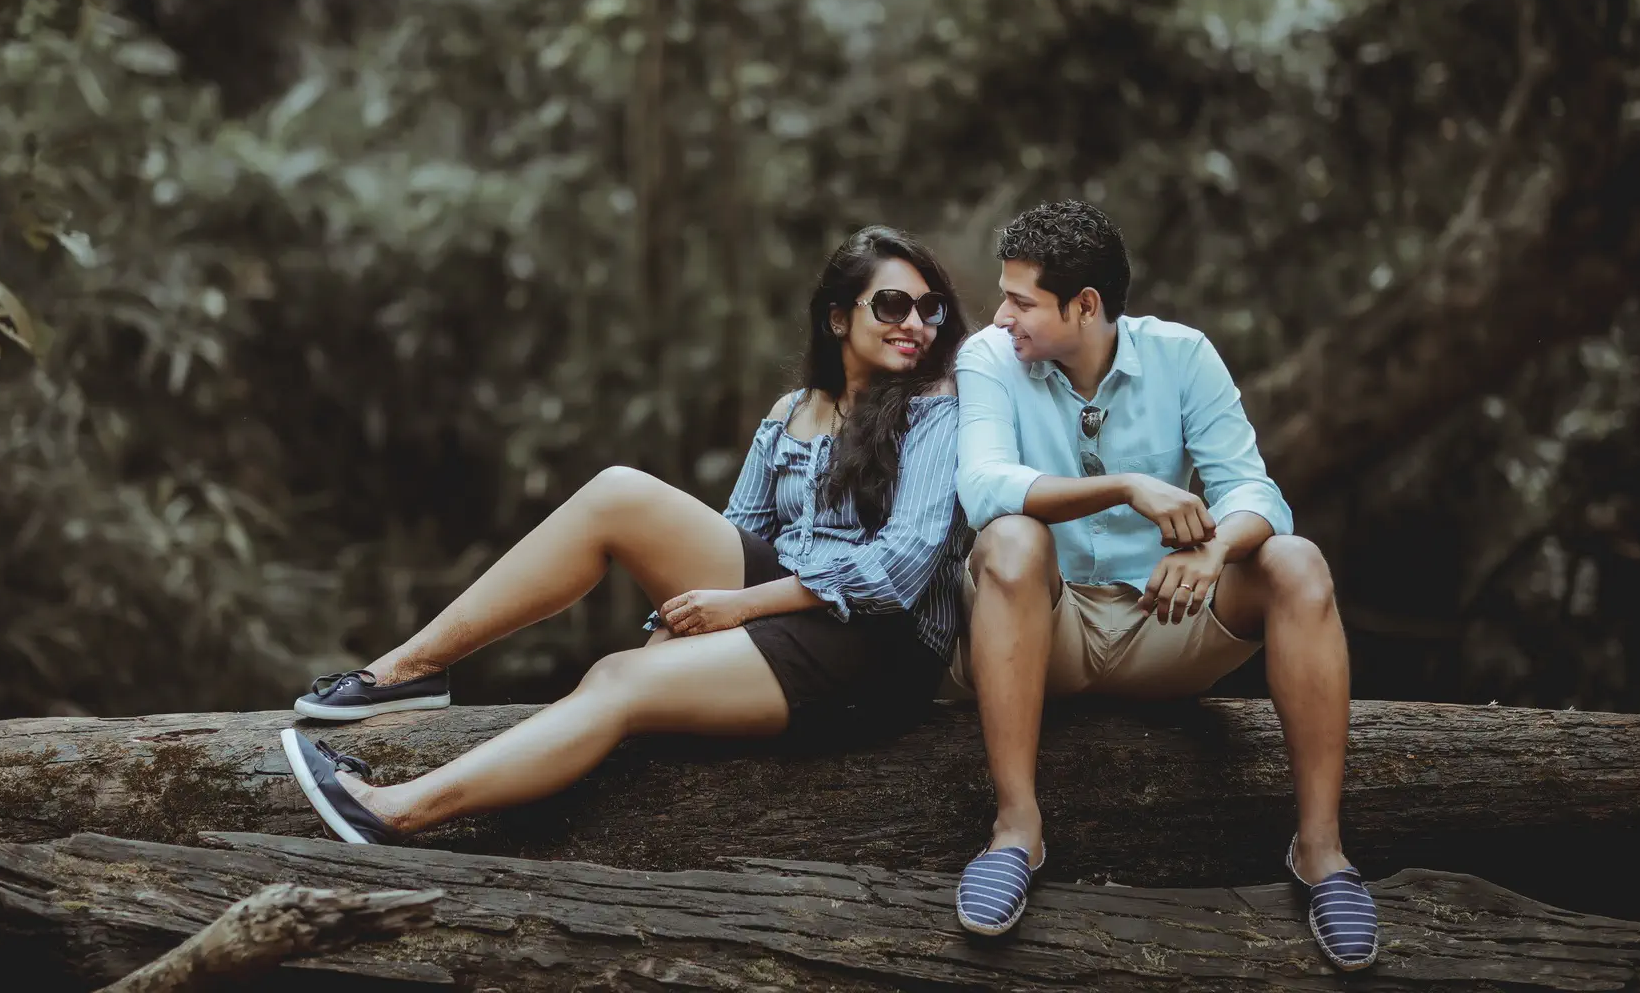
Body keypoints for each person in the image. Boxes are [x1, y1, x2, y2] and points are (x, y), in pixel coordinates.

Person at [280, 225, 973, 846]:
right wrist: (683, 628)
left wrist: (737, 614)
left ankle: (392, 810)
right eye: (892, 305)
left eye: (928, 307)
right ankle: (406, 671)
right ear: (836, 317)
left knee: (617, 679)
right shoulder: (793, 411)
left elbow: (899, 568)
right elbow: (735, 541)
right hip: (787, 613)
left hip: (880, 650)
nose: (915, 322)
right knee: (618, 491)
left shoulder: (934, 408)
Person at [948, 200, 1376, 971]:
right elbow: (982, 487)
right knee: (1008, 538)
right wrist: (1128, 487)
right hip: (1052, 631)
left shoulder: (1182, 355)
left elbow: (1256, 495)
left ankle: (1321, 853)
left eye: (1021, 300)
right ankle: (1016, 830)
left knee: (1299, 561)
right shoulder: (988, 358)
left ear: (1086, 305)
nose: (1001, 315)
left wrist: (1214, 555)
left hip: (1168, 622)